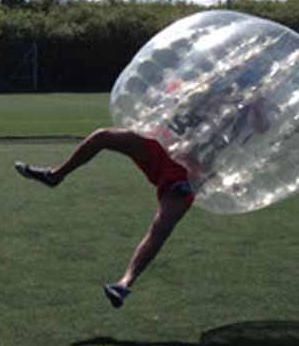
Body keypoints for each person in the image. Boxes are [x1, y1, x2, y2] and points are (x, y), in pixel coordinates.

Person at [14, 128, 194, 310]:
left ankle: (124, 284)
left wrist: (197, 180)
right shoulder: (192, 100)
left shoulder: (221, 115)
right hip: (158, 145)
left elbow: (219, 160)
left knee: (161, 227)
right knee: (103, 137)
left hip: (184, 173)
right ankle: (54, 176)